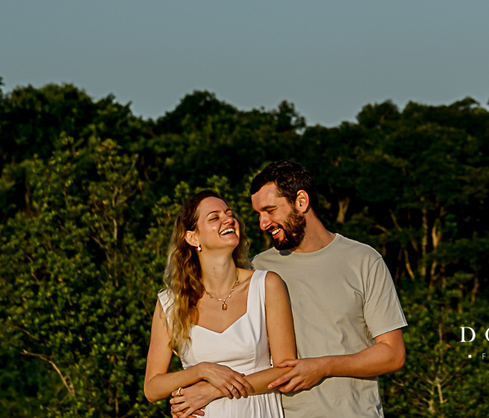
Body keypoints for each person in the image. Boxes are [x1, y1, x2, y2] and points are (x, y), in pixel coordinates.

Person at [171, 160, 407, 418]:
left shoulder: (363, 260)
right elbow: (228, 346)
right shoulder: (258, 270)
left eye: (270, 210)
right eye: (258, 214)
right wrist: (198, 392)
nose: (263, 223)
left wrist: (323, 366)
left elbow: (392, 354)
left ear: (301, 202)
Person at [145, 190, 298, 418]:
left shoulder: (266, 285)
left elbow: (286, 370)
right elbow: (152, 388)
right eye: (214, 217)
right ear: (192, 238)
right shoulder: (171, 302)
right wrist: (202, 370)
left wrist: (213, 389)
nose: (229, 219)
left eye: (229, 214)